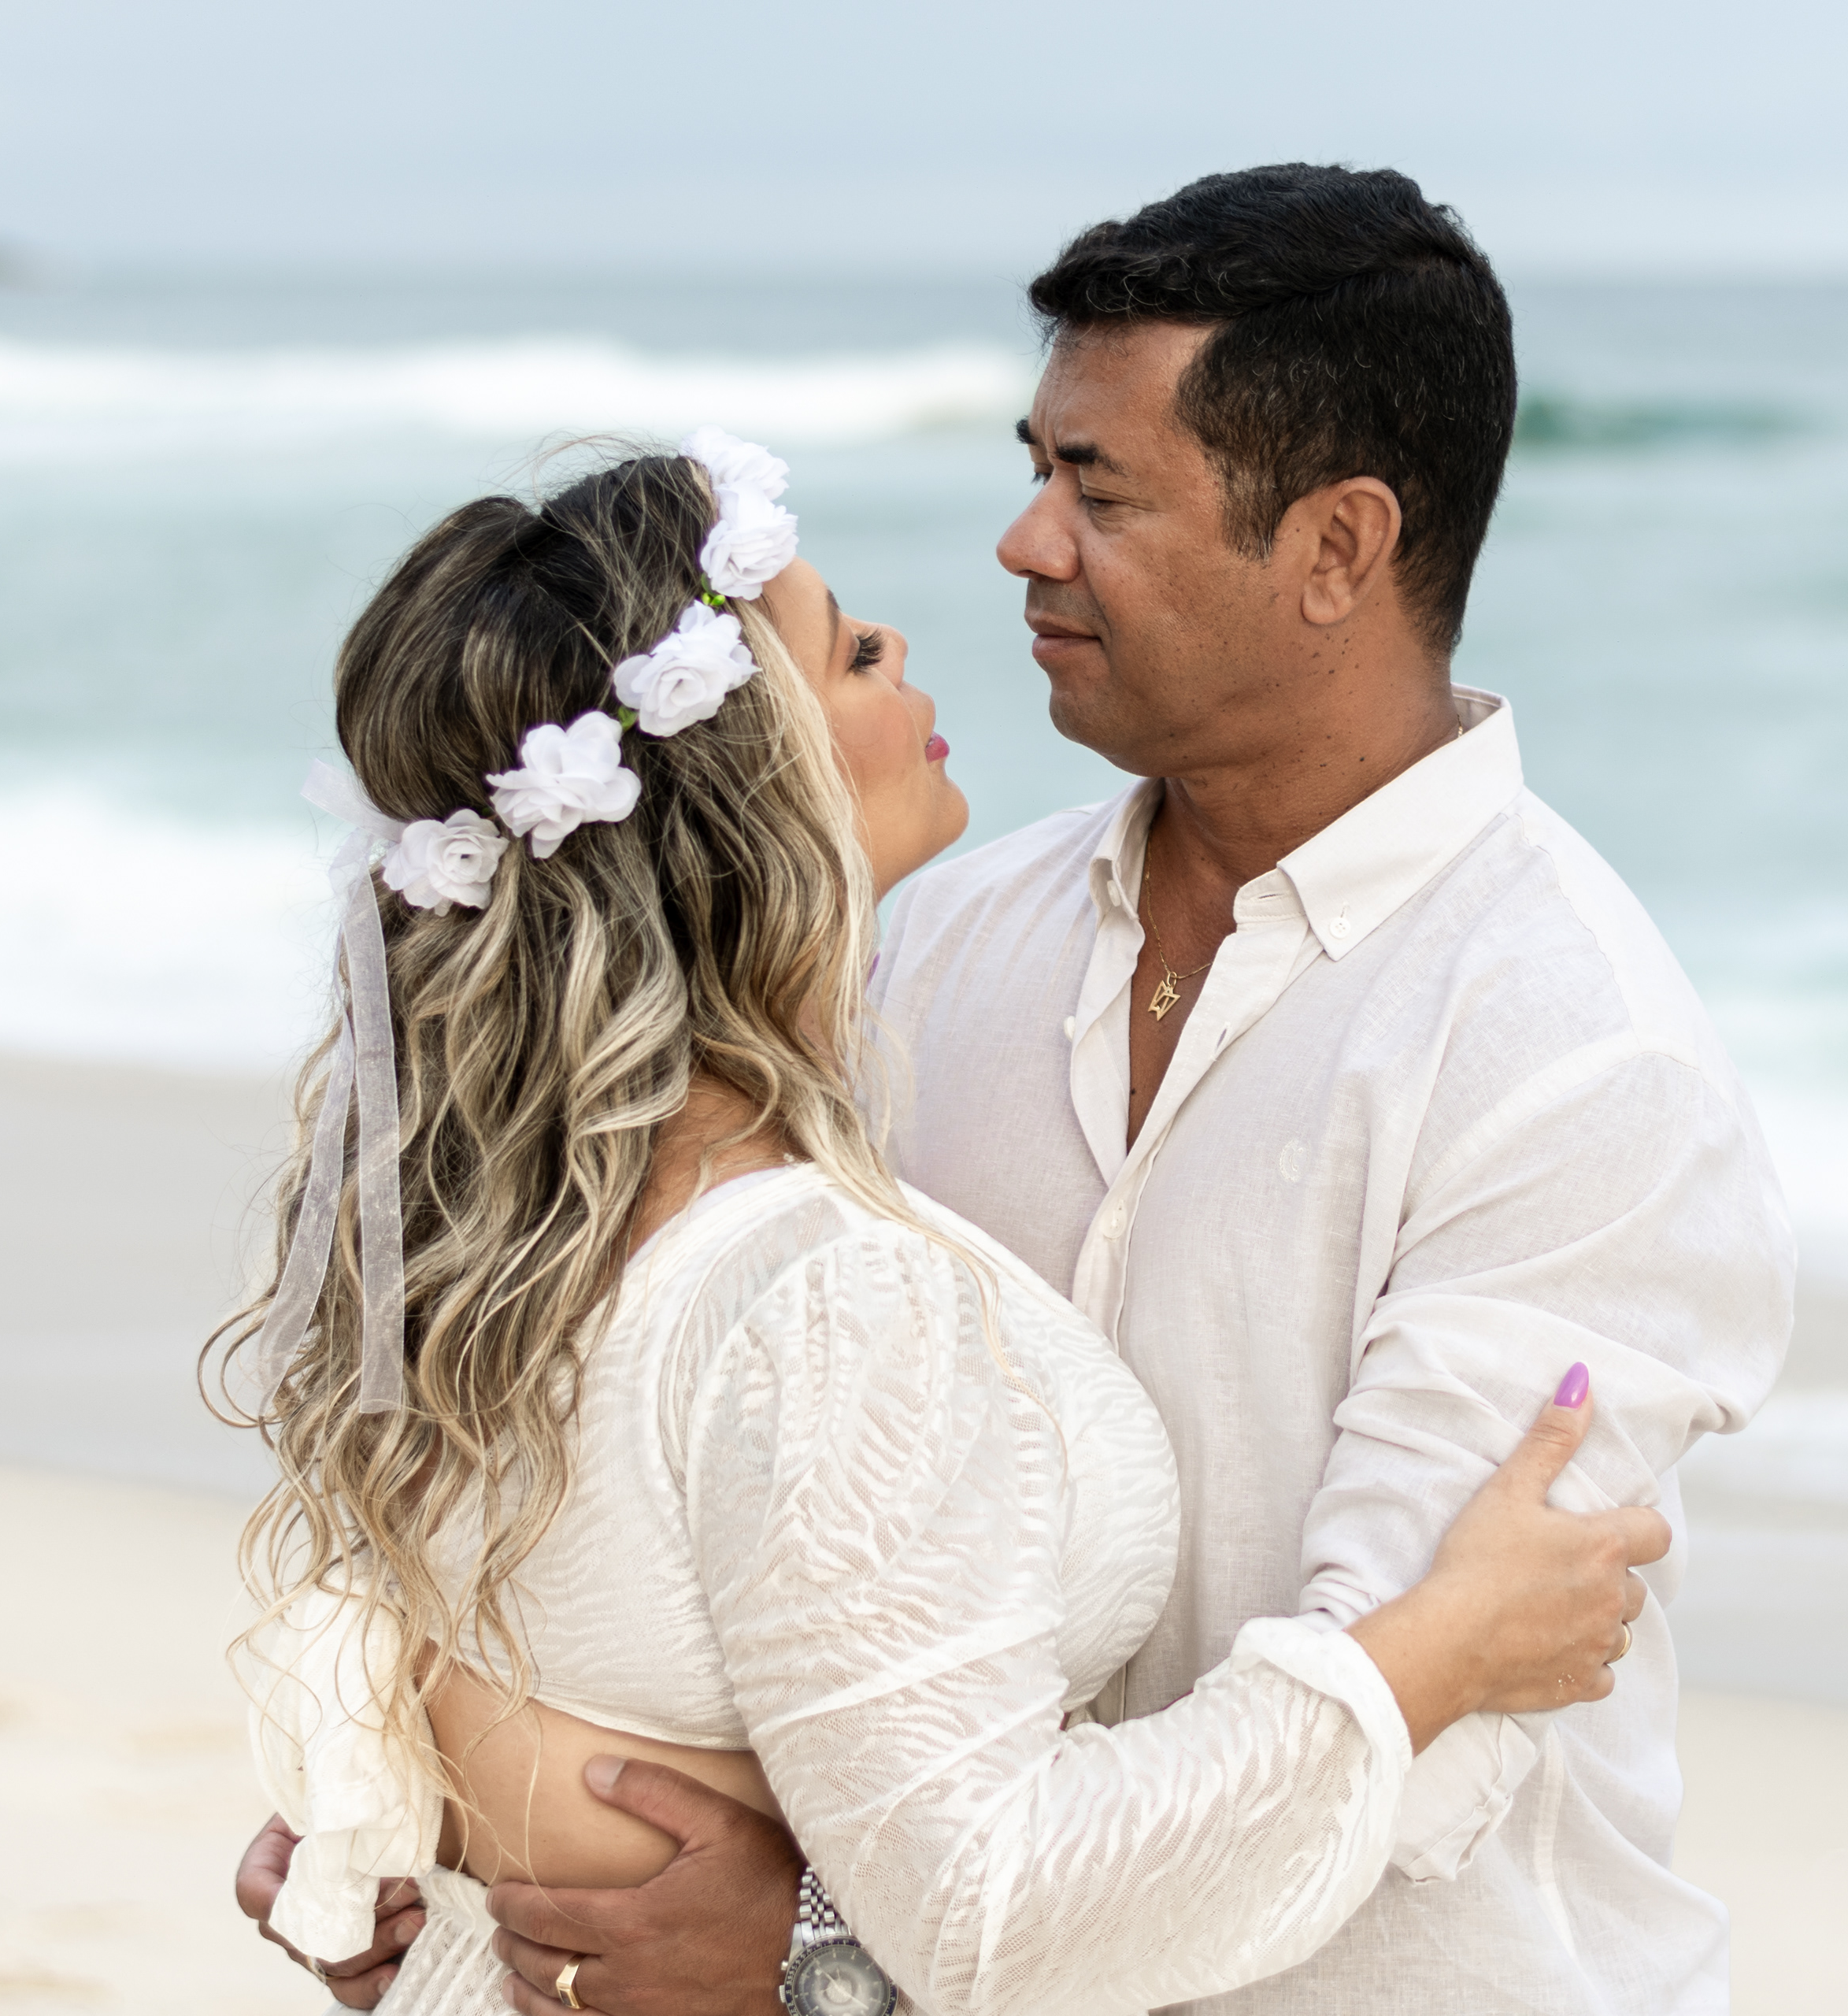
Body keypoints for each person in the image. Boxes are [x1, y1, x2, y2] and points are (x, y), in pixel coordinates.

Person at [221, 423, 1670, 2016]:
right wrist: (1433, 1657)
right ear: (749, 790)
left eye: (1096, 485)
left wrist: (393, 1841)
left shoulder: (515, 1229)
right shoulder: (816, 1293)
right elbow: (990, 1907)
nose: (904, 640)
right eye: (848, 652)